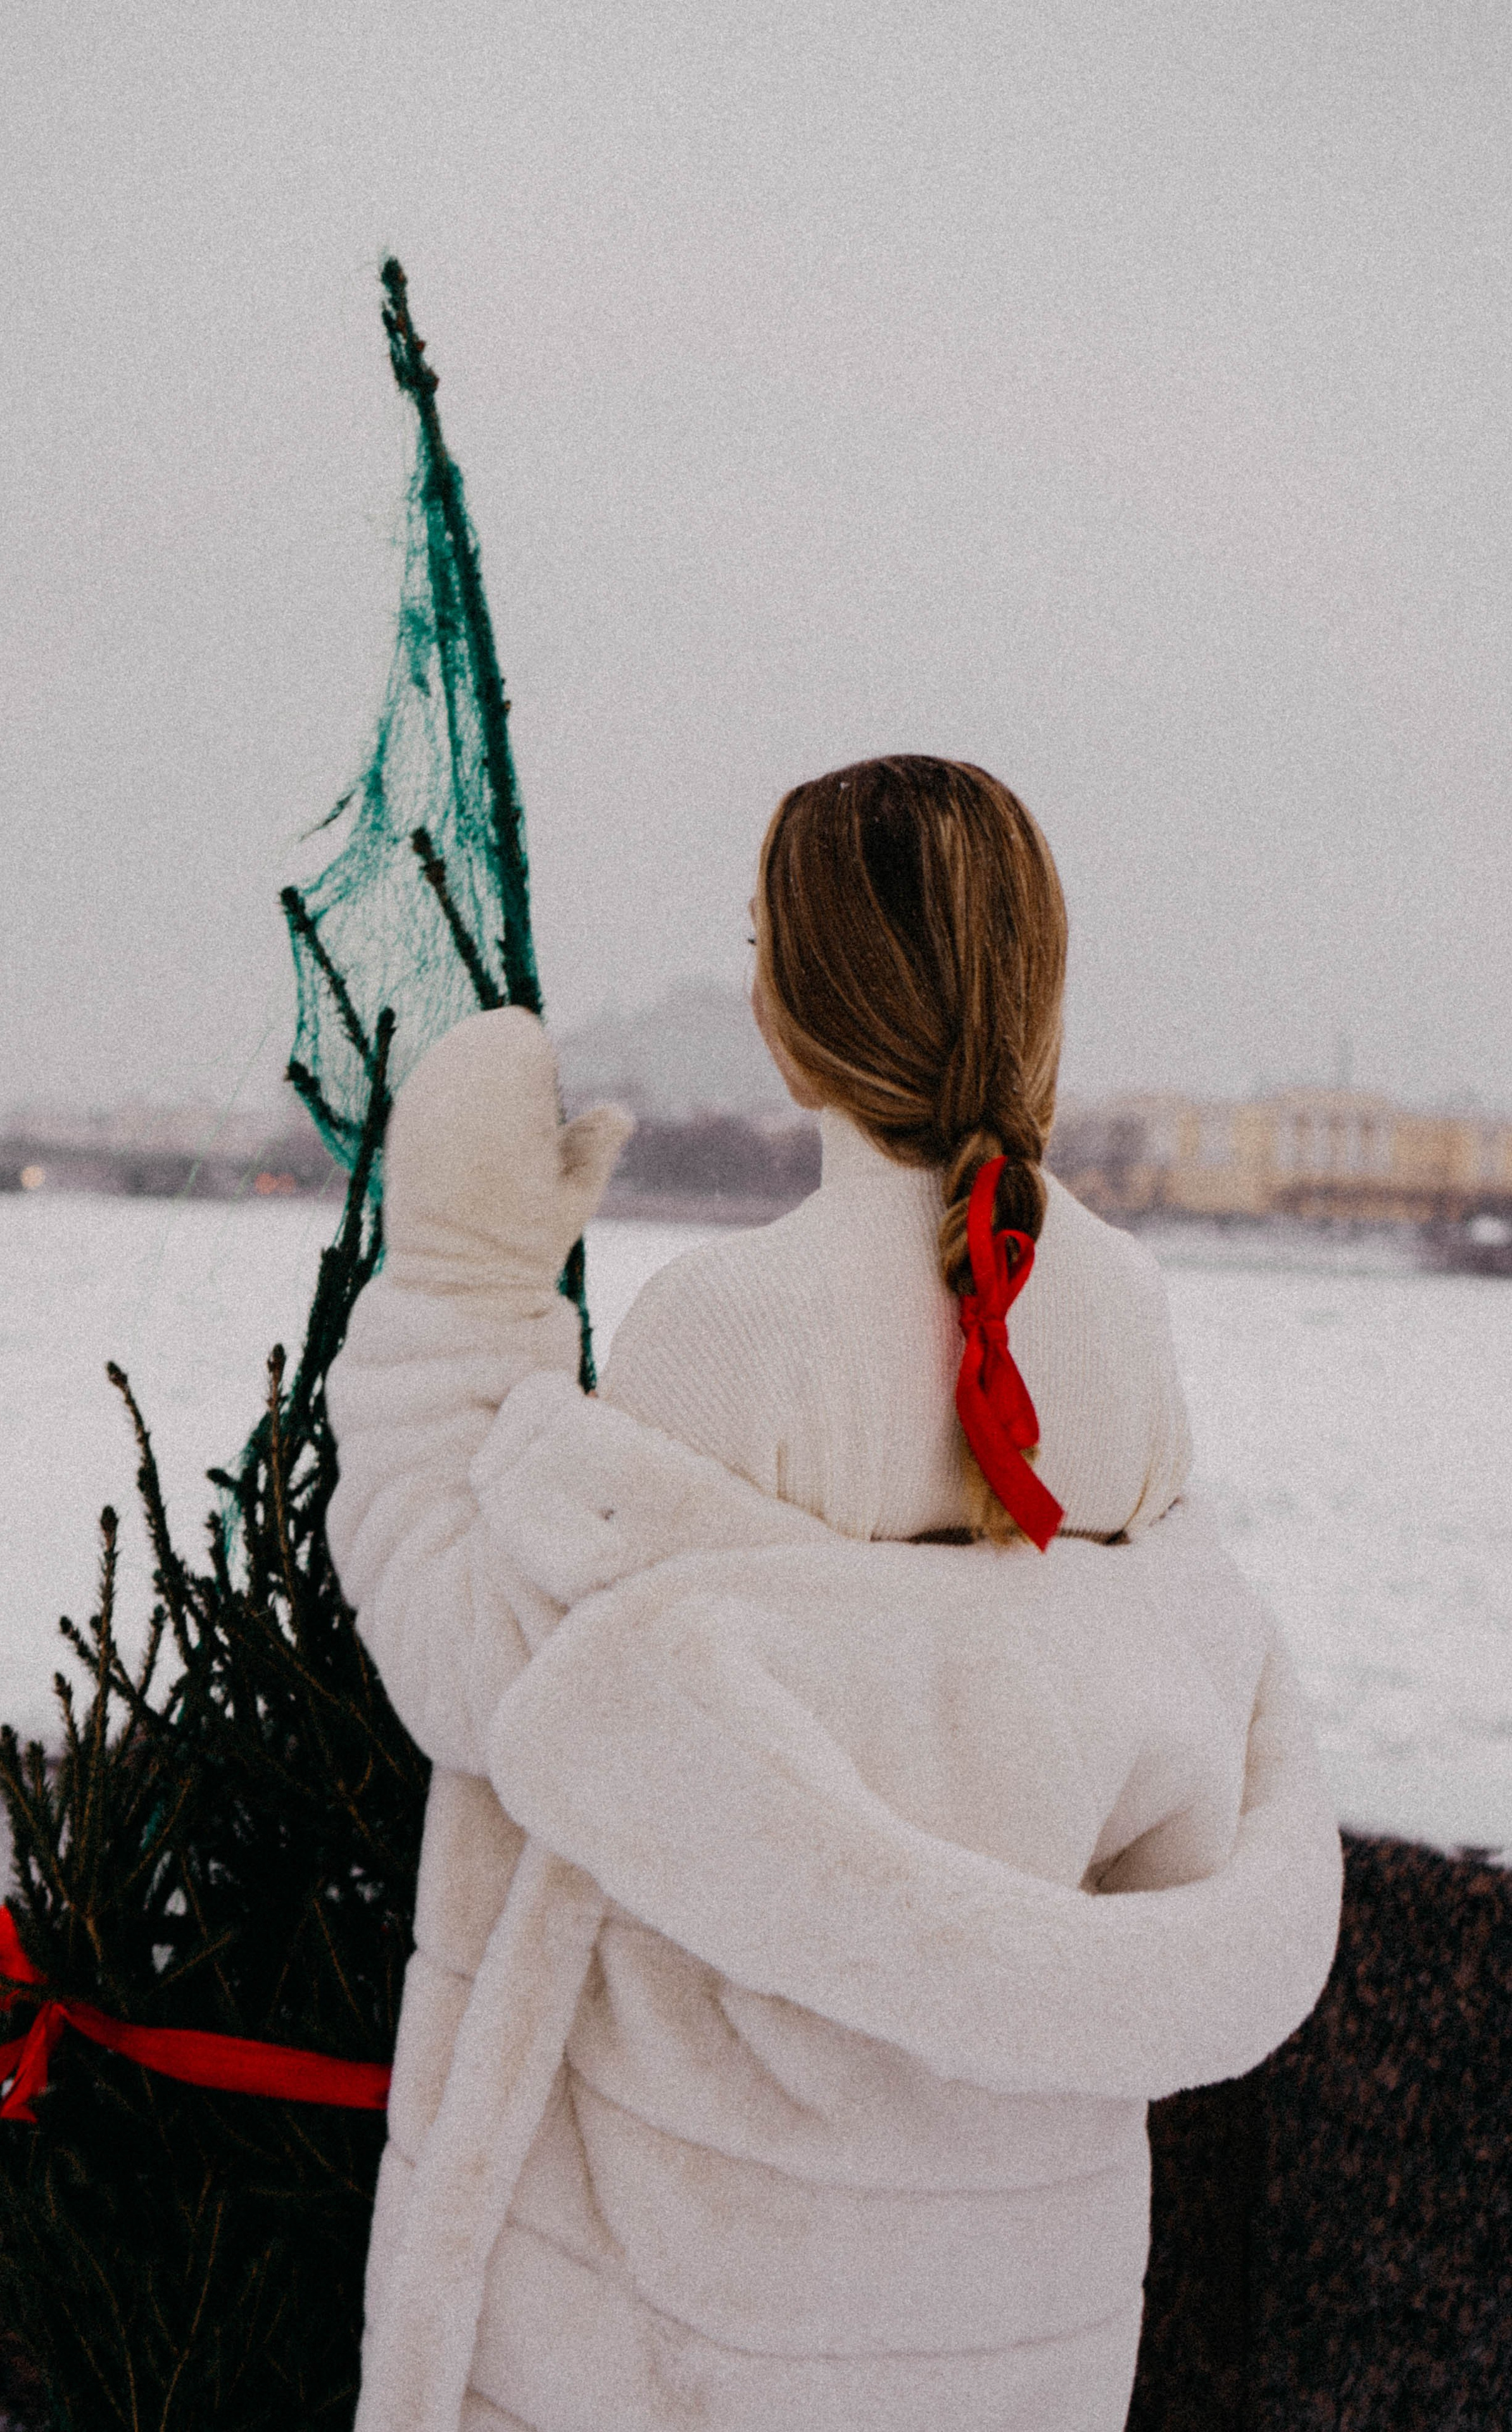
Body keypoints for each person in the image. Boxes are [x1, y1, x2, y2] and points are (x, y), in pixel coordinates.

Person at [325, 754, 1344, 2432]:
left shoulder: (733, 1332)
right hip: (1013, 2321)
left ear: (794, 1000)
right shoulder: (1130, 1322)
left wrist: (461, 1289)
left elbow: (493, 1673)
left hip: (692, 2307)